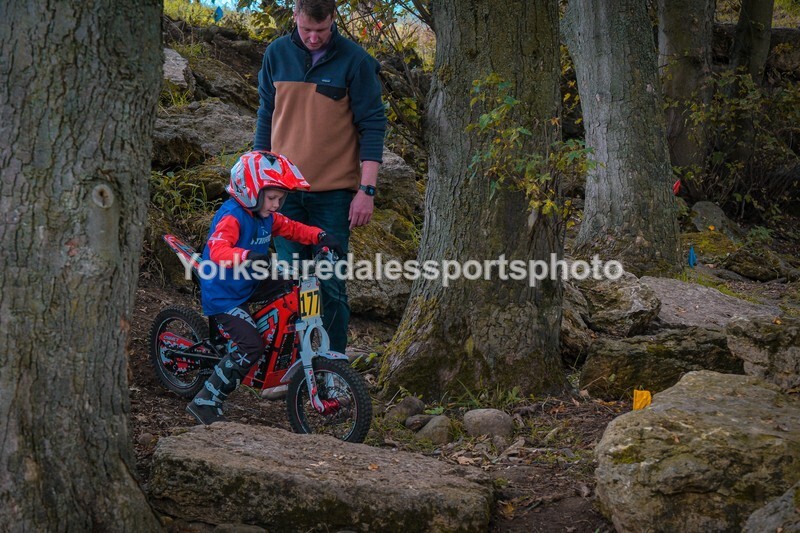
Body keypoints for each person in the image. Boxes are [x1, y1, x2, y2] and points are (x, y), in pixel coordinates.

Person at [253, 0, 387, 353]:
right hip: (283, 194)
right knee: (290, 284)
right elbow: (266, 113)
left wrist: (366, 189)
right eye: (306, 29)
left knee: (328, 286)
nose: (313, 38)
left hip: (334, 196)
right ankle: (295, 367)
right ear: (294, 15)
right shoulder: (276, 54)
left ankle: (333, 367)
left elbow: (373, 125)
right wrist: (259, 173)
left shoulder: (355, 61)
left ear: (333, 20)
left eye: (321, 30)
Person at [187, 150, 344, 425]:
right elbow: (218, 249)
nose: (276, 204)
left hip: (248, 281)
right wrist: (247, 256)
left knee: (293, 283)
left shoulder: (266, 216)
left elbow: (292, 228)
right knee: (250, 346)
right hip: (225, 294)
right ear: (250, 191)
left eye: (280, 199)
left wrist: (319, 236)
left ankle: (279, 354)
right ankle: (206, 400)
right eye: (272, 198)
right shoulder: (232, 217)